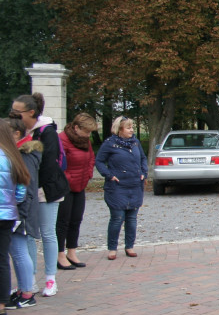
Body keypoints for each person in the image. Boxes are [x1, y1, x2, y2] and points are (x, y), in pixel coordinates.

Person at [10, 93, 69, 297]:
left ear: (31, 112)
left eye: (17, 112)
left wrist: (32, 188)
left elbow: (49, 165)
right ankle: (29, 279)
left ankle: (50, 279)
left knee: (47, 233)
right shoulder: (17, 131)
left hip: (46, 189)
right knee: (27, 235)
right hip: (28, 190)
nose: (14, 116)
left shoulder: (47, 131)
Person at [95, 116, 147, 261]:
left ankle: (129, 246)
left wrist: (144, 172)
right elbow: (99, 161)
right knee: (117, 218)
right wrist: (109, 175)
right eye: (128, 128)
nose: (132, 130)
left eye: (132, 127)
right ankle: (112, 248)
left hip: (135, 185)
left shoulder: (135, 143)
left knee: (132, 218)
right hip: (117, 186)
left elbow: (143, 158)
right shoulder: (109, 144)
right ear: (119, 129)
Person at [6, 119, 41, 309]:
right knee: (17, 250)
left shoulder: (24, 156)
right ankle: (24, 289)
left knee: (19, 251)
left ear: (16, 134)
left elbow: (23, 189)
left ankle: (27, 291)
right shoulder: (22, 154)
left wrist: (18, 211)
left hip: (21, 211)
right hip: (20, 210)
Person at [56, 113, 98, 270]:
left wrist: (88, 175)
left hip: (80, 185)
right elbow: (59, 163)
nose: (88, 135)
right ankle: (60, 254)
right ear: (76, 128)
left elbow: (91, 158)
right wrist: (68, 180)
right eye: (86, 131)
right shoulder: (62, 140)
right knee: (63, 221)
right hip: (66, 187)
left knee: (76, 219)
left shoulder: (85, 141)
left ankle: (71, 251)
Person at [0, 122, 31, 315]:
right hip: (7, 215)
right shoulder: (13, 157)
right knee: (2, 259)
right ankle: (2, 305)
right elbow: (21, 192)